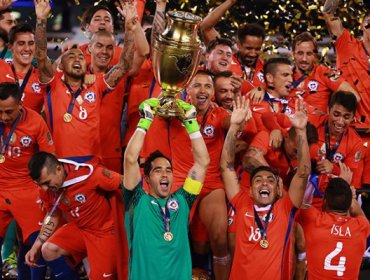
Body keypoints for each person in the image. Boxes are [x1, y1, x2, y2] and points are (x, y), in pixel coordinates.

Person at [220, 96, 311, 279]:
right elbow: (226, 167)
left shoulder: (285, 208)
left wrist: (301, 132)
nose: (264, 183)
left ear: (278, 189)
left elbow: (303, 172)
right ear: (251, 190)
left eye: (270, 180)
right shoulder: (242, 203)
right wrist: (233, 127)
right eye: (258, 180)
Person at [34, 0, 136, 159]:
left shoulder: (99, 83)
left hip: (104, 156)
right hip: (65, 157)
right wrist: (41, 21)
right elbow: (41, 56)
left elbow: (125, 64)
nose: (104, 52)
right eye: (72, 57)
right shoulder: (56, 84)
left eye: (109, 47)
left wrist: (130, 26)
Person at [123, 97, 209, 280]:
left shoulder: (183, 200)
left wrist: (191, 124)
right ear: (146, 178)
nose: (164, 175)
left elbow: (202, 162)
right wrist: (145, 120)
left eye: (168, 170)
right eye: (158, 170)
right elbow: (130, 159)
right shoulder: (136, 199)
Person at [26, 151, 126, 280]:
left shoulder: (89, 173)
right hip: (80, 229)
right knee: (48, 250)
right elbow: (53, 216)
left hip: (104, 232)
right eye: (40, 184)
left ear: (58, 169)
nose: (44, 189)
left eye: (47, 182)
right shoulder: (47, 190)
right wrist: (36, 245)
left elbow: (128, 183)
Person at [0, 82, 55, 279]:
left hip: (25, 188)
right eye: (0, 112)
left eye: (9, 112)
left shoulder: (35, 122)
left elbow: (49, 158)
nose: (4, 117)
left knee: (34, 243)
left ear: (20, 105)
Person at [298, 176, 369, 279]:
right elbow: (356, 210)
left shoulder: (313, 219)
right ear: (349, 203)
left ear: (325, 201)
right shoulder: (362, 226)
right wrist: (347, 189)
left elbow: (291, 202)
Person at [310, 91, 363, 207]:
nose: (340, 121)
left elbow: (349, 176)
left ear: (353, 117)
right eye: (336, 114)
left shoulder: (356, 142)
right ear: (328, 110)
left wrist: (332, 168)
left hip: (333, 194)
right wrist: (276, 130)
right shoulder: (313, 122)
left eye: (346, 117)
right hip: (306, 185)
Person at [291, 31, 359, 113]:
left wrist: (334, 115)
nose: (304, 59)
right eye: (300, 53)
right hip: (289, 124)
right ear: (293, 54)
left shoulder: (325, 73)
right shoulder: (285, 74)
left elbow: (354, 97)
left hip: (317, 124)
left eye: (309, 54)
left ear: (315, 55)